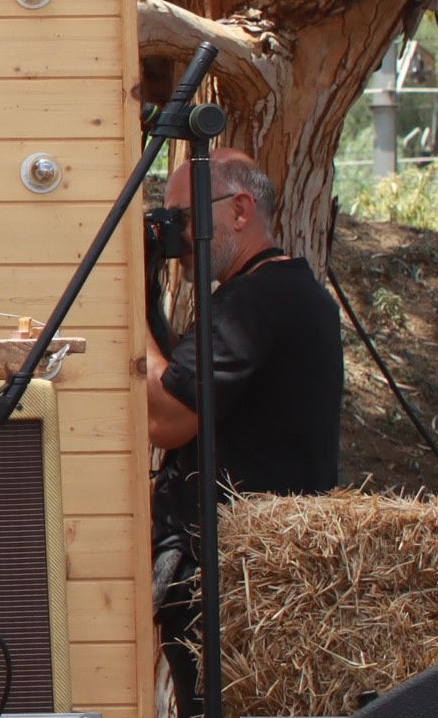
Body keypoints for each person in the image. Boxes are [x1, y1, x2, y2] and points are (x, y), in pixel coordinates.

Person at [144, 149, 343, 497]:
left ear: (239, 211)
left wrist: (122, 298)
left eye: (183, 218)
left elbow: (164, 420)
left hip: (227, 542)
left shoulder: (253, 302)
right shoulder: (287, 290)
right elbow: (181, 375)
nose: (176, 238)